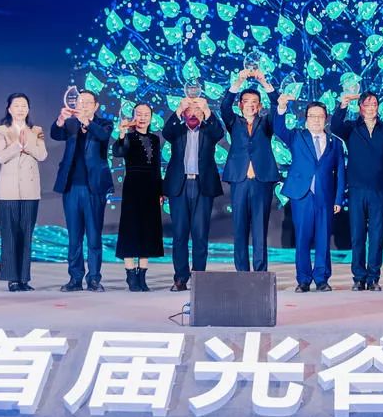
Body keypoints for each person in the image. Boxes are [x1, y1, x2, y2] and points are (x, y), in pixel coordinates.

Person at [274, 97, 346, 292]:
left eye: (320, 116)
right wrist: (281, 107)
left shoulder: (334, 143)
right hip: (302, 195)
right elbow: (279, 129)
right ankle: (303, 279)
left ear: (326, 119)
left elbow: (340, 173)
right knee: (302, 238)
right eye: (312, 116)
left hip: (325, 197)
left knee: (323, 239)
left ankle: (322, 279)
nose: (316, 120)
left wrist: (339, 198)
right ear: (306, 119)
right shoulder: (297, 136)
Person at [331, 90, 383, 290]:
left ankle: (374, 277)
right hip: (356, 190)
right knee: (357, 235)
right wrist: (342, 104)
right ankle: (359, 277)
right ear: (360, 107)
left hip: (380, 190)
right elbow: (334, 126)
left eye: (374, 104)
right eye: (367, 104)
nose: (371, 108)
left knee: (377, 236)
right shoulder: (351, 128)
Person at [51, 90, 113, 292]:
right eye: (80, 101)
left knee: (94, 236)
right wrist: (60, 120)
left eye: (87, 102)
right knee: (74, 236)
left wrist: (86, 121)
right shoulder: (71, 123)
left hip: (94, 187)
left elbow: (103, 136)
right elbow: (55, 134)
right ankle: (75, 278)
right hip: (71, 187)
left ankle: (94, 278)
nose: (83, 105)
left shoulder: (104, 123)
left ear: (96, 106)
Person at [163, 94, 225, 292]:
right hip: (179, 186)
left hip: (202, 186)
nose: (193, 113)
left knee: (200, 234)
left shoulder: (209, 130)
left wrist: (207, 109)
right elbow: (166, 131)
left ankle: (199, 277)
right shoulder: (177, 130)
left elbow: (219, 132)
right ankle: (180, 278)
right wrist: (178, 109)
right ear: (184, 113)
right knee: (179, 235)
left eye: (197, 110)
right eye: (189, 109)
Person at [221, 69, 280, 272]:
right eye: (246, 101)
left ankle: (260, 272)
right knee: (239, 228)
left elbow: (277, 106)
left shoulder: (266, 123)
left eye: (255, 102)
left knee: (260, 228)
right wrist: (238, 81)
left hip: (261, 181)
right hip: (240, 180)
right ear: (240, 105)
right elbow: (224, 106)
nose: (250, 105)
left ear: (259, 106)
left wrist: (265, 83)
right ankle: (242, 272)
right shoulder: (233, 122)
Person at [0, 93, 48, 292]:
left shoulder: (36, 130)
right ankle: (12, 279)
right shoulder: (2, 130)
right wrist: (18, 145)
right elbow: (0, 157)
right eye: (16, 105)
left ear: (28, 109)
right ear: (9, 109)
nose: (20, 109)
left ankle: (24, 278)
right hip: (8, 191)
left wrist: (28, 144)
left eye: (24, 105)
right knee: (10, 234)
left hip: (30, 191)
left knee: (26, 234)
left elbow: (42, 155)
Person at [112, 103, 164, 292]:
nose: (142, 118)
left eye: (146, 114)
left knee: (148, 230)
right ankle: (130, 274)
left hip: (151, 188)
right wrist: (122, 134)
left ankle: (142, 275)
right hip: (133, 186)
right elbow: (118, 152)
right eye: (139, 114)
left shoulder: (155, 139)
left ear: (151, 117)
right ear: (133, 116)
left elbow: (157, 166)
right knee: (130, 229)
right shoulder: (128, 137)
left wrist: (160, 190)